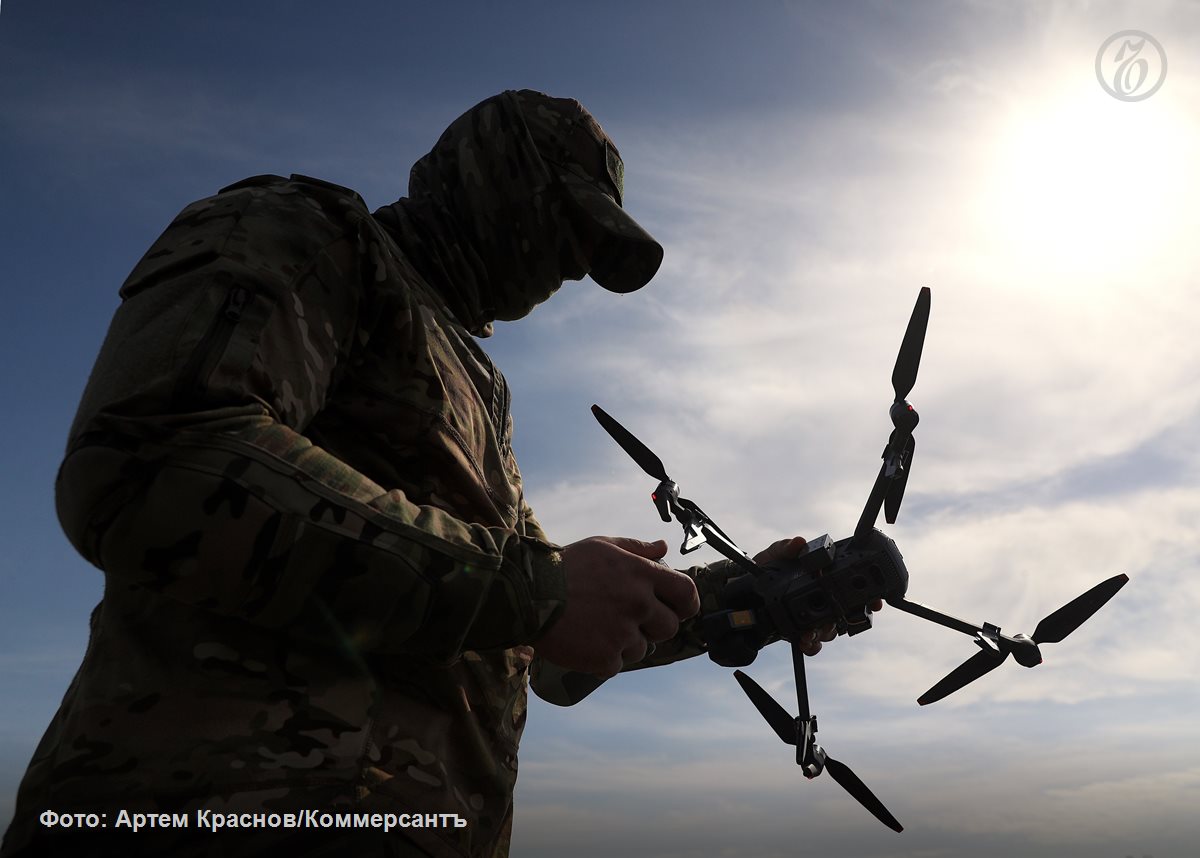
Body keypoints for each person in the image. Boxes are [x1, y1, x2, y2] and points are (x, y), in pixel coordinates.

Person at [1, 90, 856, 858]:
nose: (568, 269)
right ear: (490, 180)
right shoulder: (315, 236)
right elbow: (152, 458)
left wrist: (742, 600)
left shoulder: (476, 385)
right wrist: (535, 592)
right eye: (565, 224)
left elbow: (542, 657)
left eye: (589, 252)